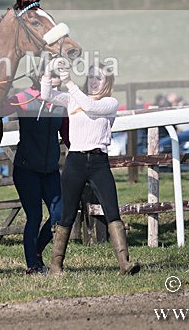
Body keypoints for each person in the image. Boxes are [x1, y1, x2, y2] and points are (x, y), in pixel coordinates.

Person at [41, 60, 140, 276]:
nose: (94, 82)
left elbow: (90, 106)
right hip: (75, 161)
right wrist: (49, 71)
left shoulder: (110, 103)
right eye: (91, 77)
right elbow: (46, 94)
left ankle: (125, 263)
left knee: (112, 210)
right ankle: (56, 265)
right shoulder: (72, 99)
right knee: (67, 215)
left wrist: (68, 81)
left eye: (99, 78)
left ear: (107, 82)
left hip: (98, 163)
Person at [4, 73, 69, 274]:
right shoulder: (22, 99)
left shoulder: (61, 102)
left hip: (50, 170)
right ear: (38, 76)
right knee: (34, 216)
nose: (57, 76)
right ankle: (32, 265)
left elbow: (68, 137)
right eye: (52, 72)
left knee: (59, 216)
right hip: (26, 169)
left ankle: (37, 252)